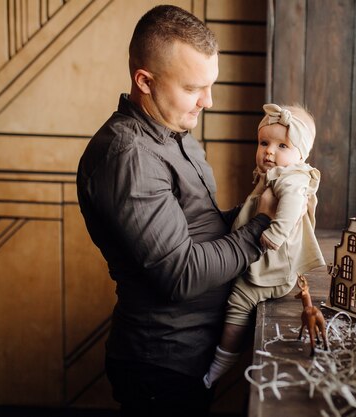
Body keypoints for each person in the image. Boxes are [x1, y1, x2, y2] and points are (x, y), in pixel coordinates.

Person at [76, 5, 277, 417]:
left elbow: (200, 230)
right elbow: (180, 273)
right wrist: (262, 225)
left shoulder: (173, 130)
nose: (209, 101)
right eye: (193, 88)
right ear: (145, 81)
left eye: (210, 85)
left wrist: (261, 205)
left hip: (190, 354)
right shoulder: (129, 156)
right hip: (161, 363)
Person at [203, 103, 326, 388]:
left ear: (300, 154)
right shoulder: (277, 174)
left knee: (239, 300)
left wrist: (275, 234)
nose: (269, 151)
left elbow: (293, 207)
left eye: (282, 145)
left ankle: (225, 357)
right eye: (264, 143)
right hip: (264, 258)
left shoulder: (292, 178)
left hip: (274, 265)